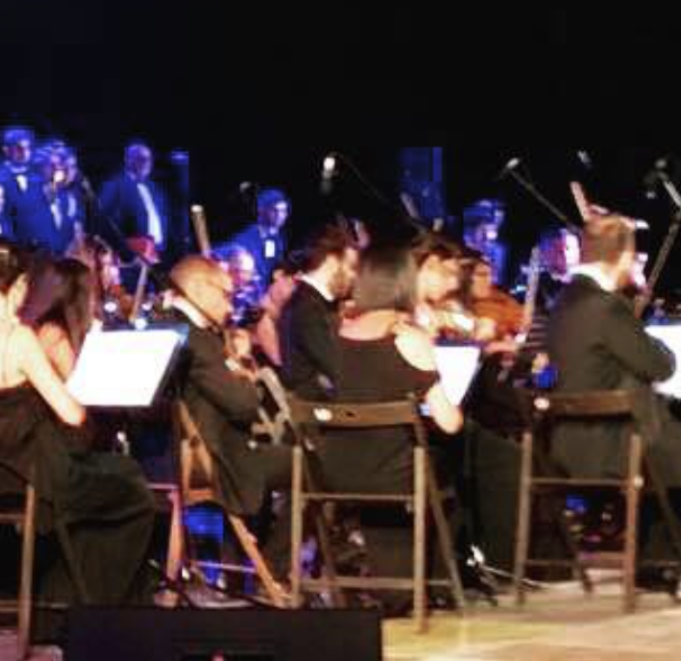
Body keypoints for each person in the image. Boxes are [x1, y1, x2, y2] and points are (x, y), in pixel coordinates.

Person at [0, 242, 157, 623]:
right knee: (133, 489)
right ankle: (111, 608)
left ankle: (69, 603)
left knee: (114, 479)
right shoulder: (18, 338)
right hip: (42, 474)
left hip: (0, 471)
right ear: (18, 285)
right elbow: (72, 414)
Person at [548, 216, 681, 603]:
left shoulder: (563, 305)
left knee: (679, 454)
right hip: (621, 449)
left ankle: (655, 562)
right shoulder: (606, 307)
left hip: (570, 446)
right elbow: (661, 365)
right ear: (623, 257)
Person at [324, 242, 465, 613]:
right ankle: (439, 582)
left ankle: (406, 585)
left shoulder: (339, 334)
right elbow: (449, 422)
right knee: (456, 455)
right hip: (393, 474)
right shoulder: (408, 336)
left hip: (335, 471)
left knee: (397, 456)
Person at [167, 256, 294, 566]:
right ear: (196, 288)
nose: (230, 307)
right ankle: (273, 567)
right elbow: (244, 405)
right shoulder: (197, 340)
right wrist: (241, 366)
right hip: (208, 456)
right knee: (309, 463)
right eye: (225, 295)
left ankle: (242, 564)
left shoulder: (166, 326)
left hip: (168, 452)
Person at [278, 224, 359, 398]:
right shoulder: (307, 309)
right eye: (351, 266)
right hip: (319, 410)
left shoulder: (311, 303)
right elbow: (339, 368)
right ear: (332, 261)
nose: (354, 276)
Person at [92, 140, 177, 265]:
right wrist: (126, 253)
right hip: (131, 257)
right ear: (128, 160)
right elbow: (105, 222)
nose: (146, 162)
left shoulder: (155, 188)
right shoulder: (114, 185)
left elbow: (163, 219)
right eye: (140, 158)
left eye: (149, 159)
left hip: (157, 254)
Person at [20, 257, 95, 380]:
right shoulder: (54, 334)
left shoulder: (52, 328)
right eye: (91, 292)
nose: (93, 301)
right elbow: (75, 384)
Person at [228, 188, 291, 280]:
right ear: (262, 210)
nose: (279, 215)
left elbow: (271, 264)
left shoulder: (277, 238)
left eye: (283, 211)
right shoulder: (245, 238)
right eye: (274, 210)